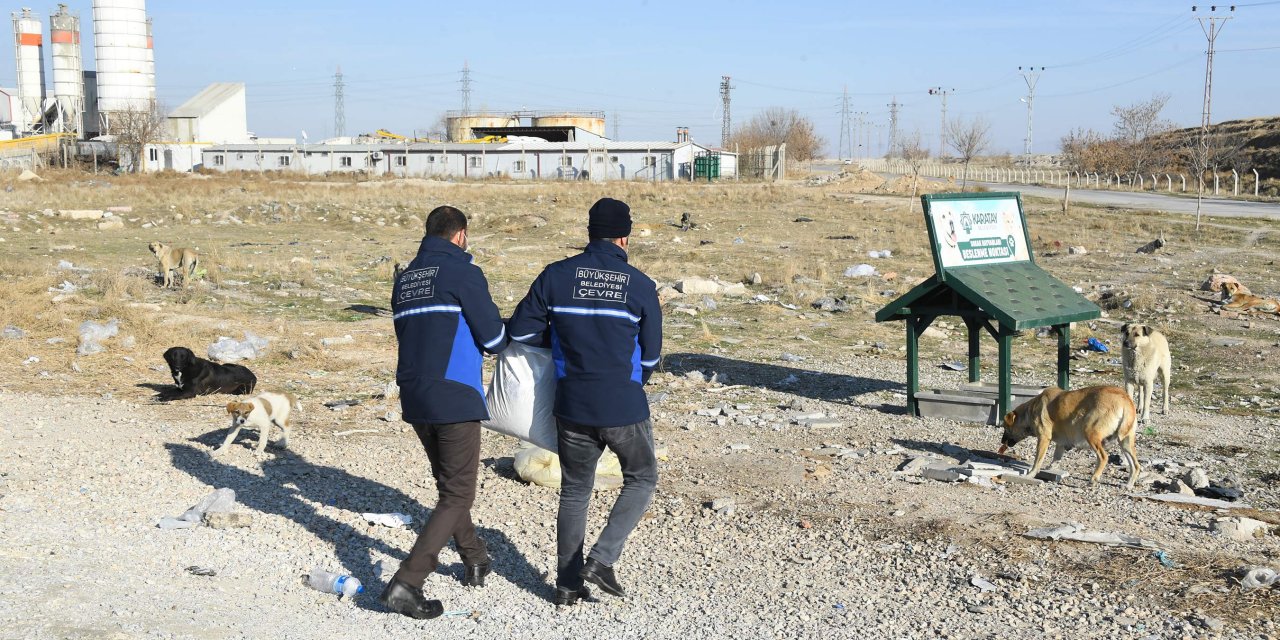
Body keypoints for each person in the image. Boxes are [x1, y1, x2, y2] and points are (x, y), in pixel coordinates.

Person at [507, 197, 662, 606]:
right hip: (622, 404)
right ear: (624, 238)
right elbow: (650, 357)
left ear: (590, 232)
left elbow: (520, 332)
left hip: (572, 404)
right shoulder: (641, 285)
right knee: (642, 477)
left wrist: (560, 339)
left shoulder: (555, 276)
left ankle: (567, 584)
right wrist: (630, 383)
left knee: (575, 492)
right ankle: (602, 560)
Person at [380, 205, 509, 620]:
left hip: (414, 396)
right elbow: (494, 338)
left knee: (449, 486)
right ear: (461, 236)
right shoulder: (462, 272)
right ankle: (408, 581)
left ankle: (474, 555)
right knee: (458, 492)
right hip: (453, 394)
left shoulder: (406, 280)